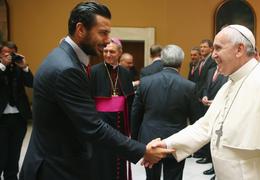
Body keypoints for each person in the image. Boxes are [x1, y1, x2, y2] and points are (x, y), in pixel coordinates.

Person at [19, 2, 173, 180]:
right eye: (103, 32)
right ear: (81, 29)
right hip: (55, 168)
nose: (108, 40)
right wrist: (142, 150)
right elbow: (92, 126)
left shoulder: (65, 58)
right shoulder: (67, 69)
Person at [148, 24, 260, 179]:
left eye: (218, 48)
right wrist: (166, 144)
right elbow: (205, 127)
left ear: (239, 49)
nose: (213, 55)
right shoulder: (229, 84)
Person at [131, 45, 197, 180]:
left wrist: (135, 140)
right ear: (181, 62)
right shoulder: (189, 86)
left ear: (162, 59)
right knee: (174, 177)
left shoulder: (145, 82)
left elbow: (136, 113)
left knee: (151, 177)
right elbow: (195, 117)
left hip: (150, 137)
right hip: (177, 138)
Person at [90, 38, 135, 180]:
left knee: (119, 156)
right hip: (100, 122)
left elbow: (130, 100)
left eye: (112, 52)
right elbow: (88, 99)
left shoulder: (126, 73)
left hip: (120, 122)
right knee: (102, 157)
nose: (108, 54)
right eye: (105, 51)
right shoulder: (93, 71)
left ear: (120, 53)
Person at [0, 41, 33, 180]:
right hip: (1, 119)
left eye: (12, 53)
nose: (9, 56)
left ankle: (11, 177)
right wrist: (2, 66)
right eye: (6, 53)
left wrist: (25, 67)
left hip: (19, 117)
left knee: (14, 153)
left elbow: (31, 83)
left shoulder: (19, 66)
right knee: (1, 154)